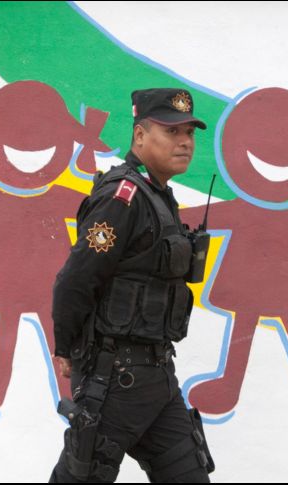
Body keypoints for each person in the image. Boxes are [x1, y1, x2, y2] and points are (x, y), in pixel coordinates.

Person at [49, 88, 215, 483]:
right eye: (172, 132)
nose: (184, 142)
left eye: (189, 133)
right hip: (115, 379)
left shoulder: (158, 197)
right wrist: (65, 347)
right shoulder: (121, 198)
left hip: (158, 377)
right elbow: (75, 280)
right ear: (140, 136)